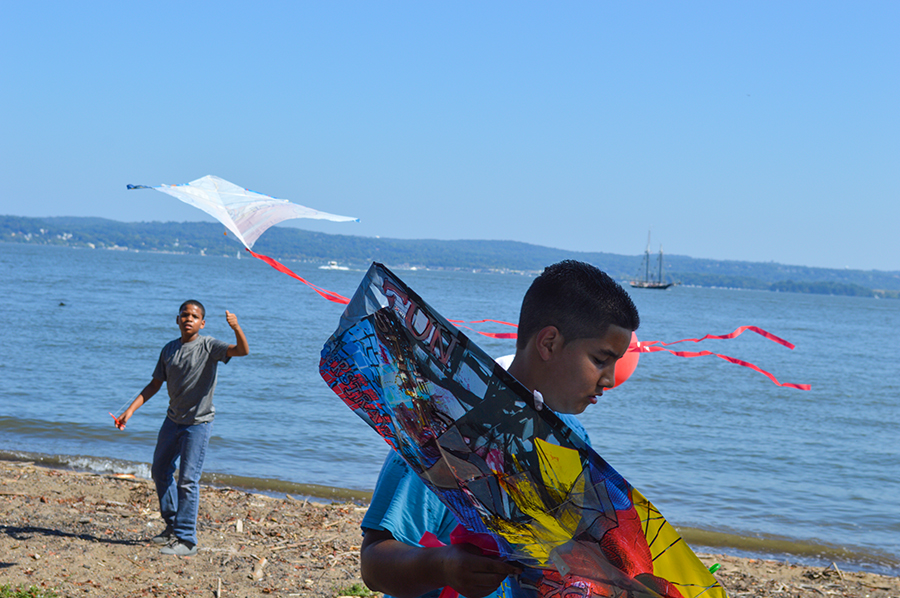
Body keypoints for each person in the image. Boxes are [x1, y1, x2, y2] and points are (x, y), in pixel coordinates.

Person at [359, 260, 640, 598]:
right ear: (549, 343)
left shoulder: (572, 437)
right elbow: (374, 563)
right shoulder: (444, 430)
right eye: (600, 359)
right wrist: (443, 565)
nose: (609, 380)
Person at [114, 300, 249, 557]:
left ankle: (187, 540)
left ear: (202, 323)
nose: (189, 319)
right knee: (160, 471)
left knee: (187, 481)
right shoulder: (169, 350)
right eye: (184, 315)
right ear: (177, 320)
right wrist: (129, 412)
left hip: (197, 425)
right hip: (172, 421)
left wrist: (236, 327)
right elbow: (154, 385)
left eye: (194, 316)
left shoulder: (209, 346)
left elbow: (242, 351)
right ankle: (172, 525)